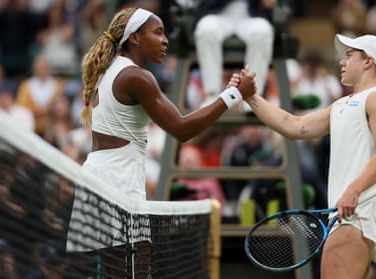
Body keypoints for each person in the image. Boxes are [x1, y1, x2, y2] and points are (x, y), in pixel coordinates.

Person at [66, 7, 256, 276]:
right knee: (132, 270)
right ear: (135, 37)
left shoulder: (112, 70)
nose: (165, 40)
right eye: (158, 33)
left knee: (114, 271)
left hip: (102, 176)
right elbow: (181, 129)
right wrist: (232, 96)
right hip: (116, 180)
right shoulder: (135, 76)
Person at [233, 33, 376, 278]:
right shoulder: (342, 105)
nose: (342, 62)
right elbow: (294, 126)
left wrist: (353, 191)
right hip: (349, 215)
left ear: (368, 62)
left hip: (358, 215)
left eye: (349, 56)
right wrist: (251, 97)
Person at [193, 0, 275, 105]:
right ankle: (212, 95)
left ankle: (253, 96)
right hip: (218, 14)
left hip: (251, 16)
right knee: (206, 30)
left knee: (262, 31)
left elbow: (268, 3)